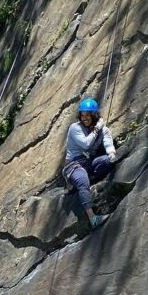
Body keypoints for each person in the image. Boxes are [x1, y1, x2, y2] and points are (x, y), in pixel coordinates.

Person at [64, 98, 117, 229]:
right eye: (82, 115)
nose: (85, 118)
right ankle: (93, 218)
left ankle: (90, 178)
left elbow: (107, 140)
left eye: (88, 115)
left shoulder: (101, 129)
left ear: (94, 115)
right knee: (82, 179)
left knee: (107, 160)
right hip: (73, 164)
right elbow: (86, 144)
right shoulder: (75, 128)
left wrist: (111, 153)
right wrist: (97, 129)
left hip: (88, 163)